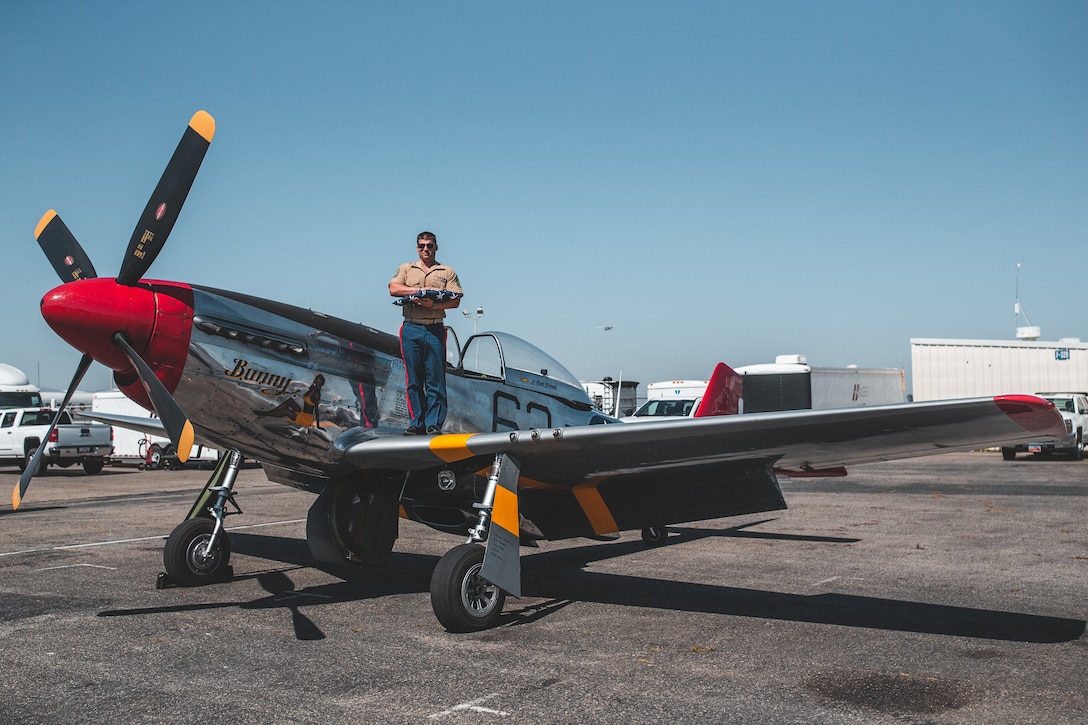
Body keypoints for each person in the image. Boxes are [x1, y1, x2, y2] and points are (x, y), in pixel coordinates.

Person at [389, 231, 462, 435]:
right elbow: (393, 288)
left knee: (435, 379)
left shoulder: (447, 271)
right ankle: (416, 423)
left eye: (429, 245)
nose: (426, 249)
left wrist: (432, 305)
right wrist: (417, 291)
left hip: (434, 328)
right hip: (411, 328)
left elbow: (455, 301)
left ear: (436, 247)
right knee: (413, 379)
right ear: (416, 248)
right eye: (422, 246)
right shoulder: (406, 269)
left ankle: (433, 424)